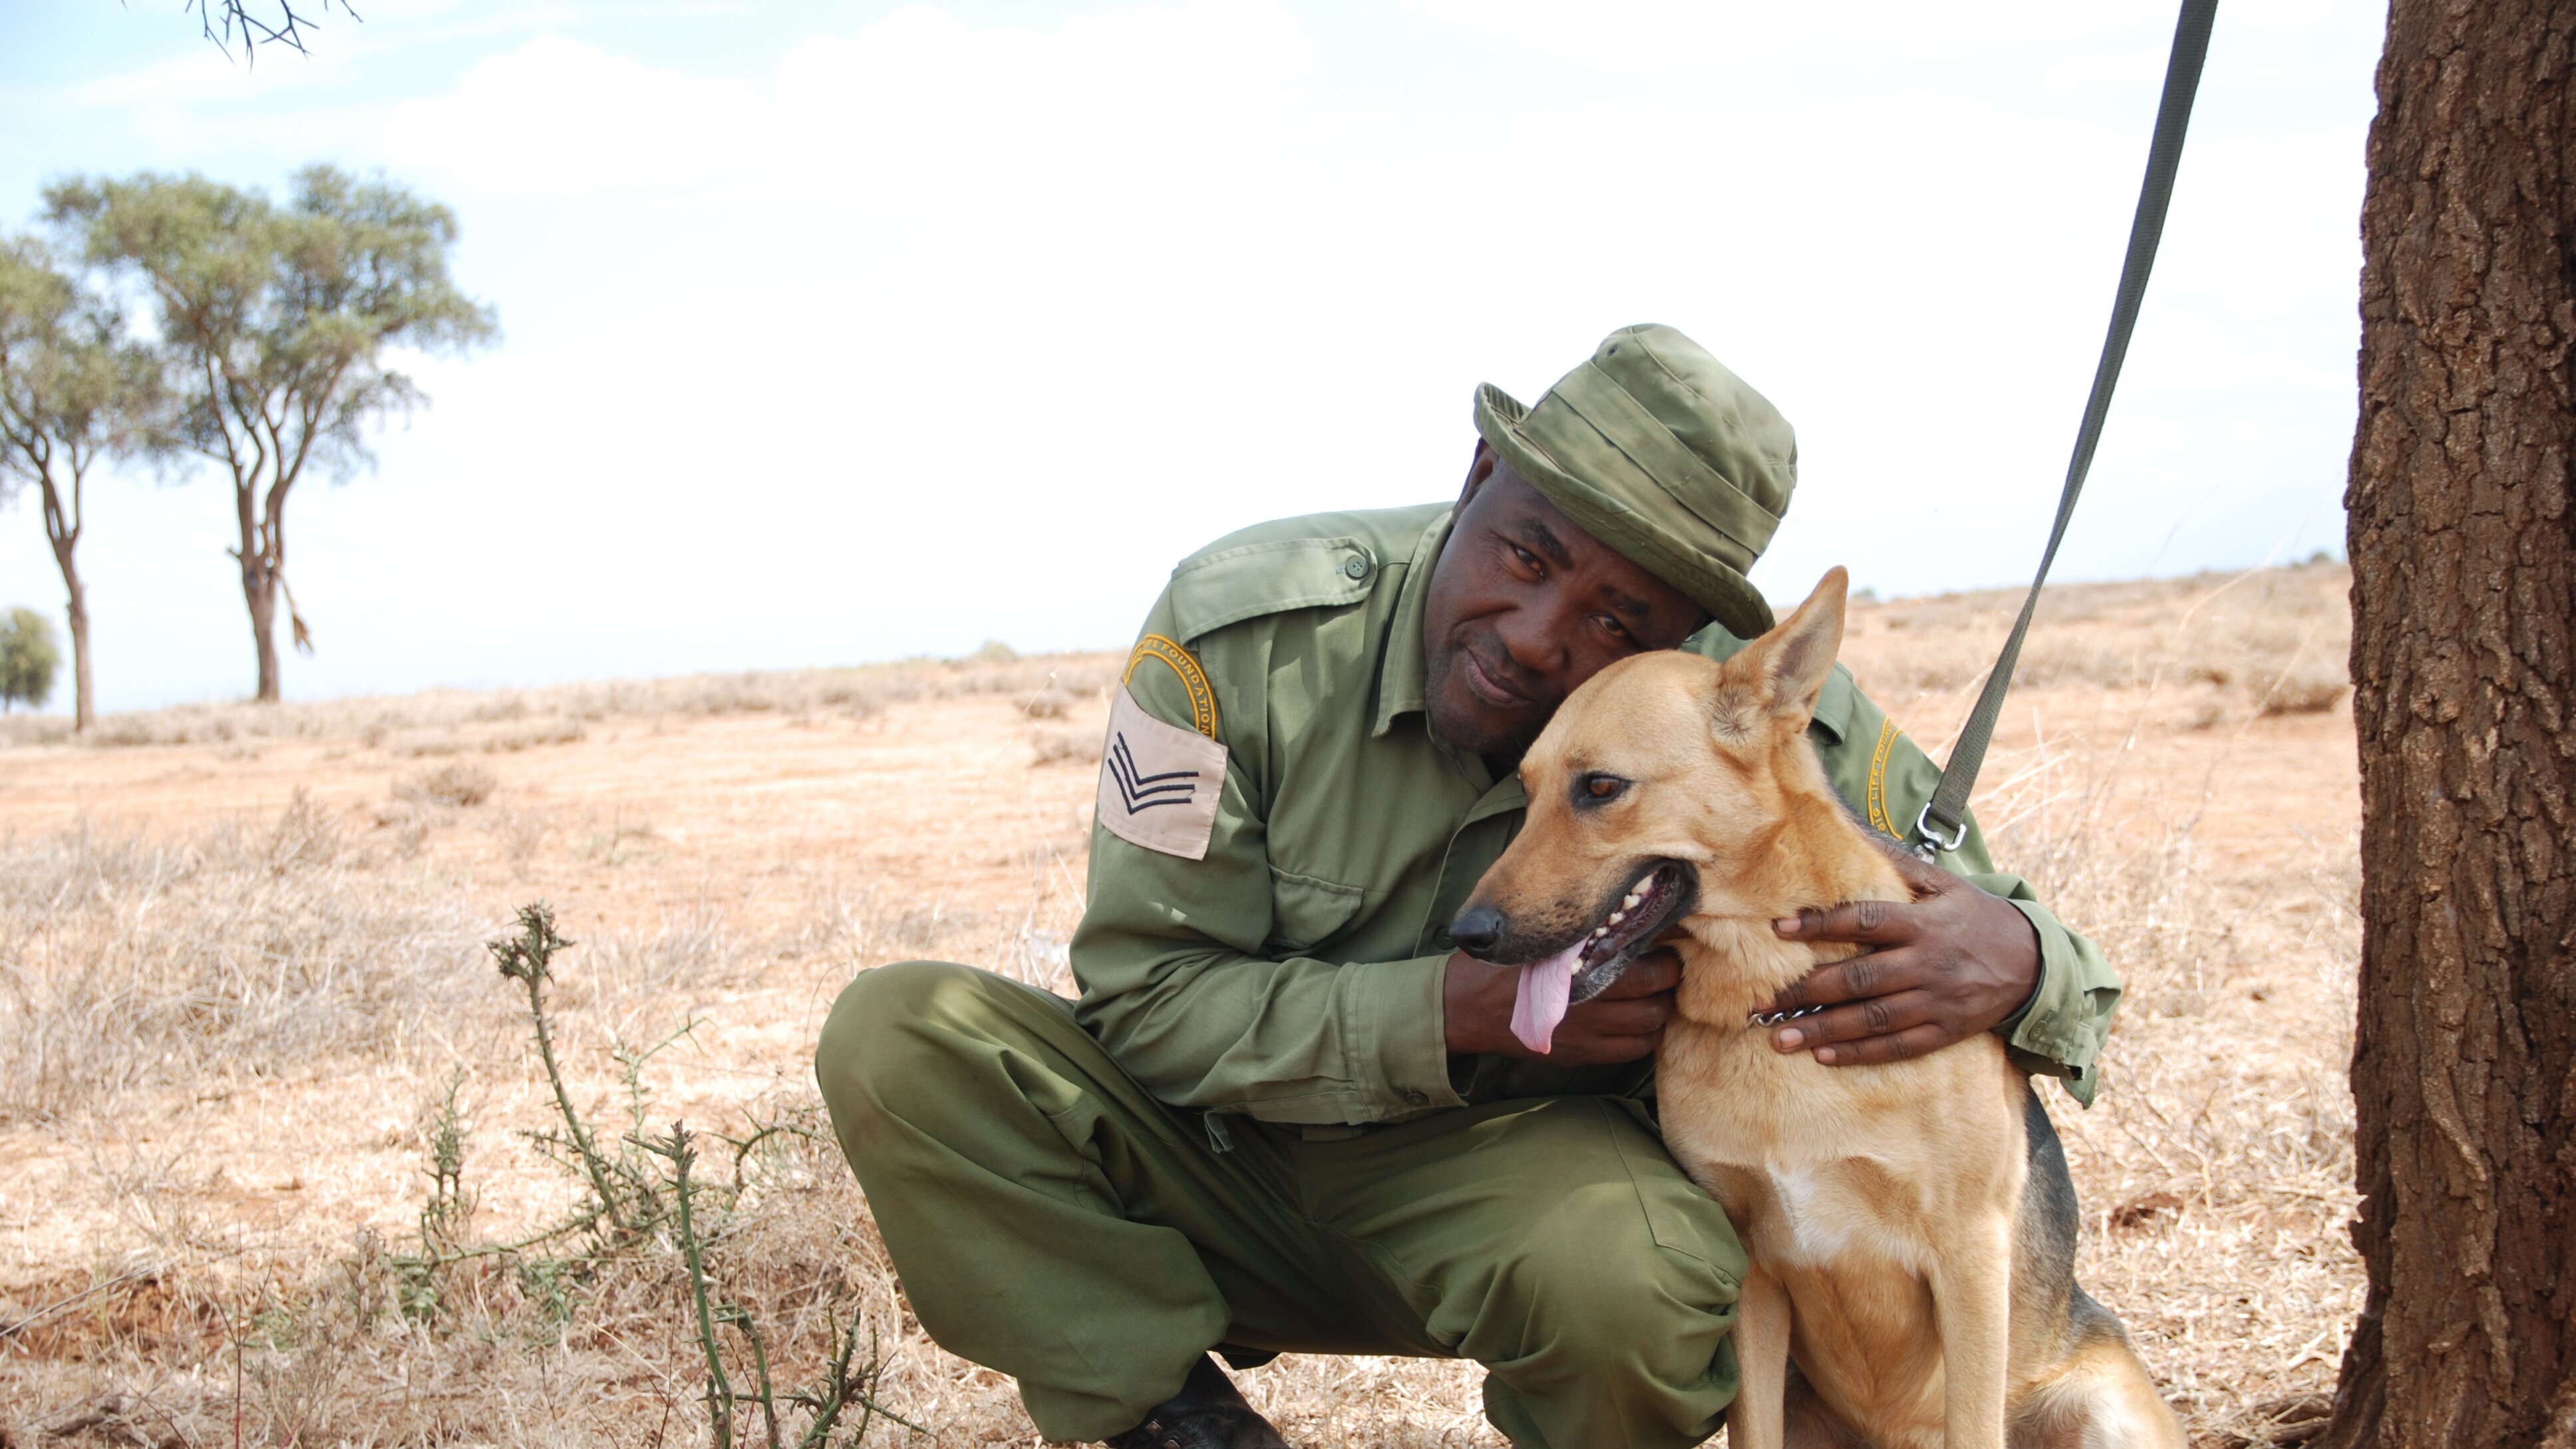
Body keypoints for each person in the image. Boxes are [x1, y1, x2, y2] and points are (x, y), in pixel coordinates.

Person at [813, 325, 2121, 1449]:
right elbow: (1147, 1002)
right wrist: (1452, 1011)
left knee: (1644, 1275)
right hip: (1211, 1161)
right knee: (902, 1039)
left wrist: (2017, 960)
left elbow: (2008, 932)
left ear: (1681, 635)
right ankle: (1175, 1419)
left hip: (1511, 1198)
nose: (1540, 639)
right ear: (1478, 472)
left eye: (1617, 622)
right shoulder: (1239, 639)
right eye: (1529, 558)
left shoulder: (1738, 712)